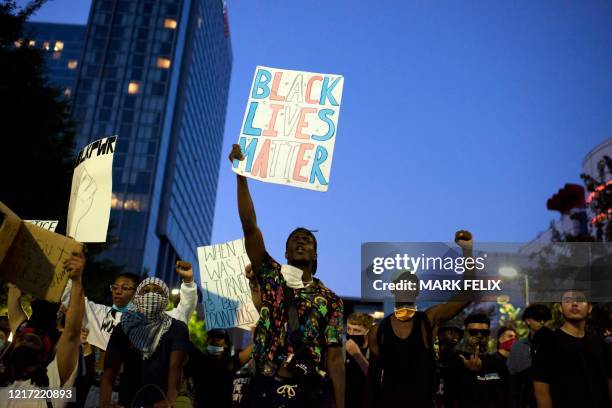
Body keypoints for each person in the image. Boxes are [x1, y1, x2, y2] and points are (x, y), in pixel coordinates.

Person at [229, 144, 345, 408]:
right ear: (286, 250)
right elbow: (250, 227)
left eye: (308, 240)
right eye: (295, 239)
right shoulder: (271, 276)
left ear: (316, 255)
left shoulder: (330, 300)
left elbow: (335, 357)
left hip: (308, 394)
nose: (301, 242)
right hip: (264, 388)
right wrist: (240, 174)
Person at [366, 230, 476, 408]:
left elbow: (468, 294)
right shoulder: (377, 331)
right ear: (393, 289)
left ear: (417, 291)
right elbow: (372, 382)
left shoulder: (428, 320)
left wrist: (467, 252)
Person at [0, 251, 86, 408]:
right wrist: (76, 280)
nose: (25, 338)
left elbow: (14, 292)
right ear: (43, 357)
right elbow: (72, 332)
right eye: (31, 342)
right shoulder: (54, 387)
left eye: (22, 340)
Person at [62, 261, 197, 351]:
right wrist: (69, 270)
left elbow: (183, 310)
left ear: (137, 293)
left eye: (125, 288)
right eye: (115, 287)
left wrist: (188, 282)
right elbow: (71, 299)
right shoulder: (100, 313)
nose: (118, 291)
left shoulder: (157, 321)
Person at [100, 277, 190, 408]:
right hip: (127, 402)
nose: (151, 295)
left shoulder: (177, 328)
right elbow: (110, 370)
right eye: (146, 291)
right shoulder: (124, 327)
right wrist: (105, 403)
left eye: (158, 292)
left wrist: (168, 401)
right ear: (137, 297)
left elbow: (175, 370)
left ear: (165, 298)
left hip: (158, 403)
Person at [532, 289, 612, 408]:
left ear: (589, 308)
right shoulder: (548, 344)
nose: (574, 304)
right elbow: (541, 391)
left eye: (580, 300)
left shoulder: (599, 343)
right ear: (560, 308)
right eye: (568, 300)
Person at [441, 313, 514, 408]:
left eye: (484, 332)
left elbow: (508, 397)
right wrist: (471, 373)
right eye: (473, 332)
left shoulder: (498, 363)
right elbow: (450, 397)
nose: (479, 336)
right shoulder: (454, 361)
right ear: (465, 332)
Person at [185, 329, 253, 408]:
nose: (214, 339)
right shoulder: (199, 360)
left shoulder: (229, 363)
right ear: (207, 340)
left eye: (219, 337)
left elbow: (253, 348)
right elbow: (183, 340)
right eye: (211, 337)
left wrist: (264, 325)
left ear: (226, 344)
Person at [507, 304, 552, 408]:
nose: (542, 322)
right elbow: (512, 379)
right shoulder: (518, 347)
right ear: (528, 321)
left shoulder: (555, 344)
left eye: (544, 319)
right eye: (537, 319)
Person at [344, 312, 373, 408]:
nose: (351, 333)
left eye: (356, 330)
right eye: (348, 329)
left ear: (367, 331)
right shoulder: (342, 348)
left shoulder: (374, 349)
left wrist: (357, 354)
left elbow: (375, 378)